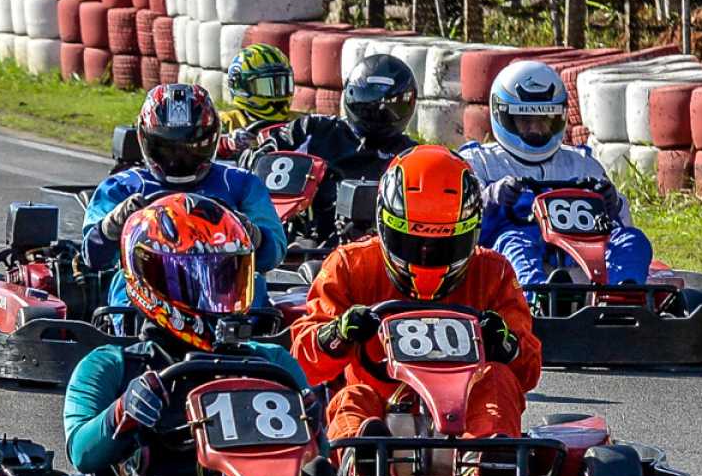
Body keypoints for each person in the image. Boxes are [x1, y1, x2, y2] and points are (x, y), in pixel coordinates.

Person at [60, 193, 323, 476]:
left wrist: (313, 426)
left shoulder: (272, 363)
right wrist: (122, 413)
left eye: (225, 275)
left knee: (316, 475)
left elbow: (316, 454)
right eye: (196, 278)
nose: (215, 291)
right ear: (151, 279)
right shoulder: (112, 366)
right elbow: (81, 453)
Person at [291, 144, 541, 442]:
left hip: (465, 410)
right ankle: (362, 453)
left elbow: (528, 373)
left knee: (498, 380)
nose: (426, 254)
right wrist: (338, 335)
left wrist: (506, 345)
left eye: (443, 246)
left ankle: (489, 456)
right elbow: (302, 363)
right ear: (384, 226)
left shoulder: (493, 272)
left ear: (472, 232)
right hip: (380, 405)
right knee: (353, 397)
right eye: (411, 243)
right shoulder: (351, 265)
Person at [81, 83, 285, 307]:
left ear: (212, 139)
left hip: (224, 291)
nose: (179, 158)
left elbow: (273, 254)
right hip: (146, 294)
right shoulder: (122, 187)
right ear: (144, 139)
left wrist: (251, 233)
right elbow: (93, 257)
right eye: (167, 148)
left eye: (192, 148)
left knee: (255, 288)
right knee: (122, 286)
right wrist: (111, 226)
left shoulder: (240, 184)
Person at [460, 60, 651, 285]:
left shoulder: (581, 163)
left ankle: (623, 296)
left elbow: (623, 224)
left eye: (544, 120)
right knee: (514, 242)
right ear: (503, 116)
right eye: (525, 120)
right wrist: (491, 197)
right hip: (507, 254)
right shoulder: (480, 161)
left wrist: (613, 203)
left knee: (633, 240)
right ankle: (534, 297)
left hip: (581, 253)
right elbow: (459, 222)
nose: (535, 129)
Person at [261, 52, 420, 246]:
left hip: (381, 249)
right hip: (313, 244)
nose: (378, 111)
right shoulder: (315, 130)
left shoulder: (413, 156)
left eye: (389, 106)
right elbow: (265, 153)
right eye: (368, 102)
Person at [216, 43, 298, 152]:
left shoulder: (298, 122)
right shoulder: (226, 122)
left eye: (282, 85)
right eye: (266, 86)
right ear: (241, 87)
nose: (277, 95)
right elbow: (201, 146)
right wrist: (227, 143)